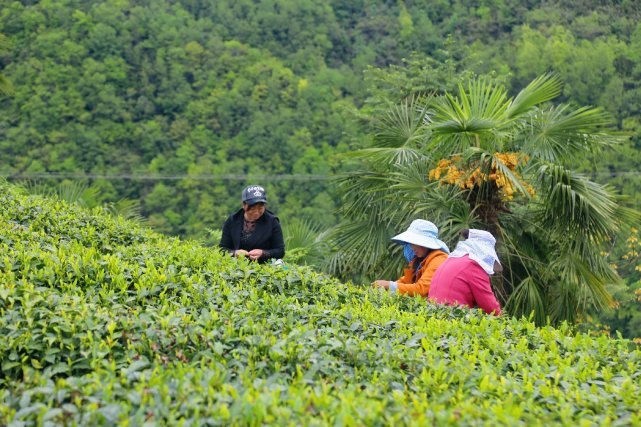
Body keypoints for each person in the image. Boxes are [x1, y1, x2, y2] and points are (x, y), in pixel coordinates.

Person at [428, 229, 502, 315]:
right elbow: (490, 308)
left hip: (433, 313)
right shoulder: (474, 265)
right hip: (451, 317)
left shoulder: (452, 259)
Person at [372, 219, 449, 297]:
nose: (412, 247)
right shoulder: (419, 260)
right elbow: (407, 281)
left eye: (415, 243)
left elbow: (421, 289)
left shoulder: (439, 259)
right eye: (411, 243)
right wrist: (384, 286)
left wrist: (389, 285)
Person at [219, 185, 285, 263]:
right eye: (252, 208)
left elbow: (280, 251)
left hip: (264, 268)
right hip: (235, 267)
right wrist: (235, 253)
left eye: (260, 208)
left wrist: (263, 253)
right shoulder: (232, 221)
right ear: (243, 205)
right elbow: (222, 249)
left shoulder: (272, 222)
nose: (256, 212)